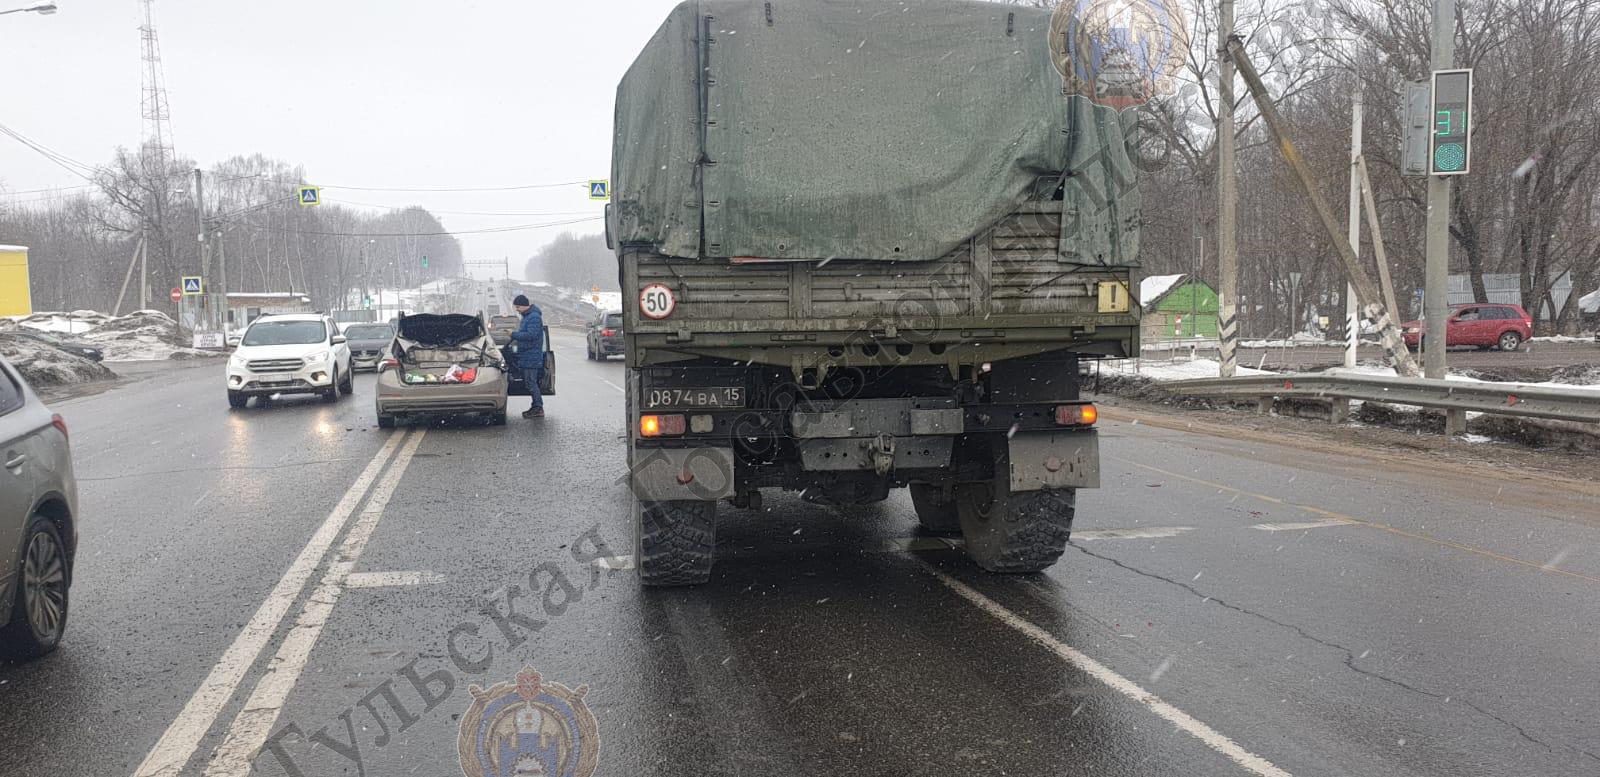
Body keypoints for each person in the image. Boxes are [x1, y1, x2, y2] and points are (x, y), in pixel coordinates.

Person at [510, 295, 546, 418]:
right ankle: (535, 406)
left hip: (532, 355)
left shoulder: (534, 317)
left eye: (518, 306)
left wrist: (514, 335)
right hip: (527, 354)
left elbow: (531, 335)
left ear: (524, 305)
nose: (517, 309)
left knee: (531, 382)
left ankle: (538, 408)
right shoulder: (527, 317)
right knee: (529, 382)